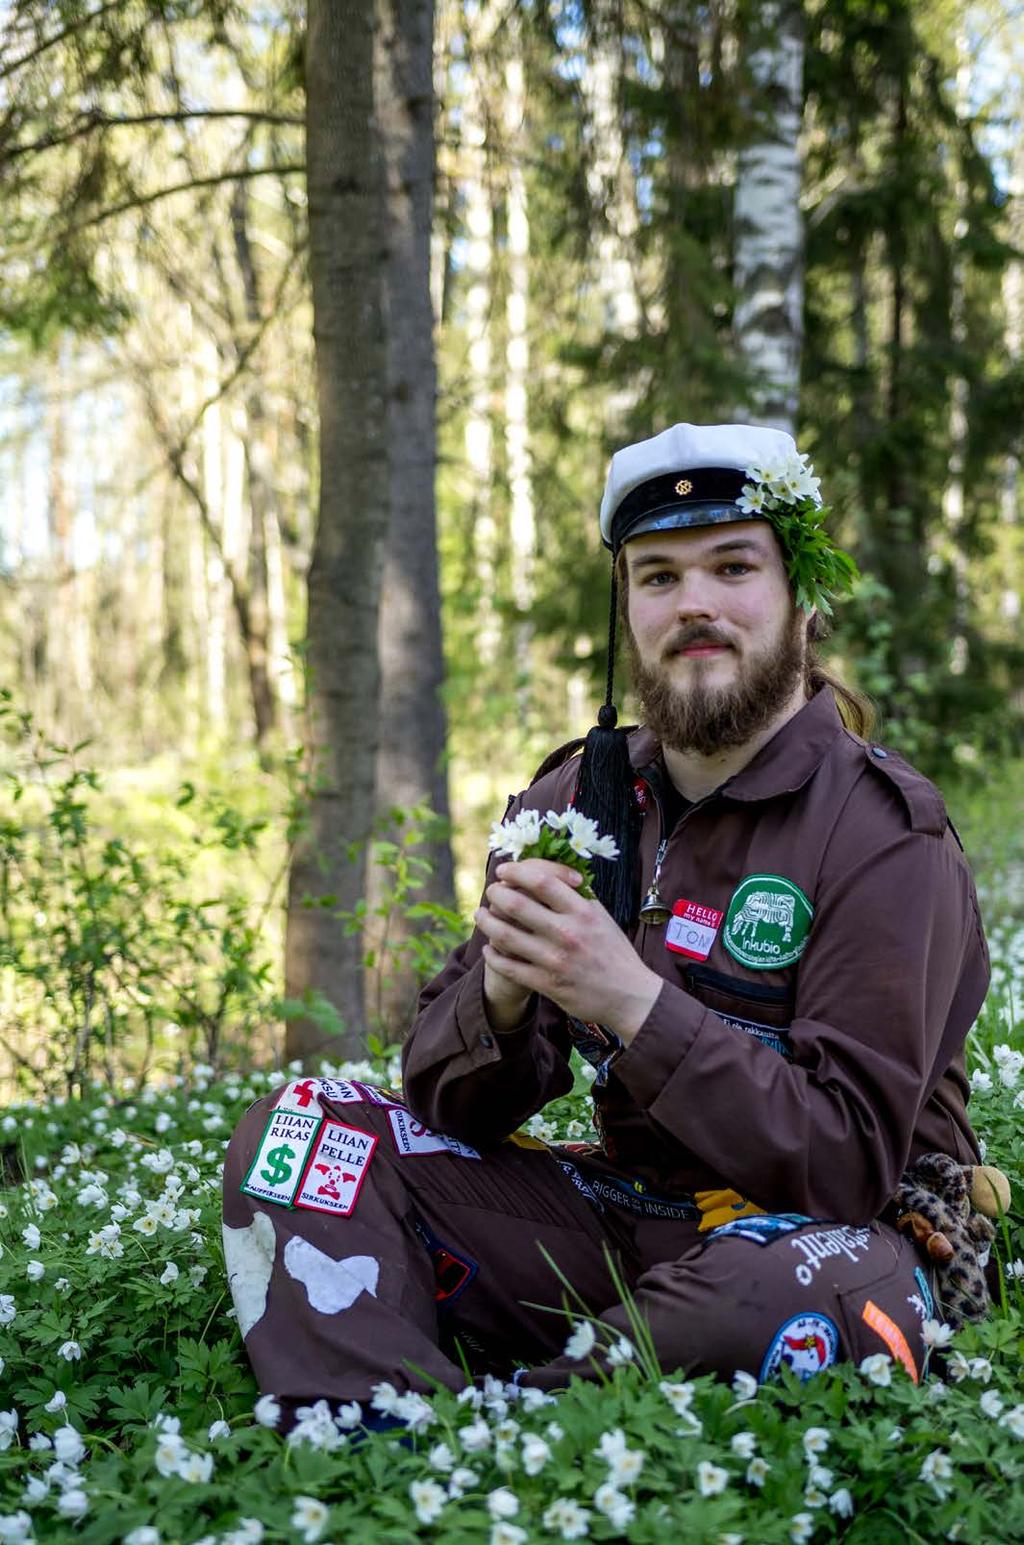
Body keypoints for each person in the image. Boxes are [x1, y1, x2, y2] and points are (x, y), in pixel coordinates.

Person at [222, 422, 990, 1423]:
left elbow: (845, 1164)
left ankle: (523, 1439)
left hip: (837, 1243)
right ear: (626, 608)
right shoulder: (579, 798)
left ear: (801, 598)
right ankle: (390, 1438)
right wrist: (499, 999)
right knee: (302, 1135)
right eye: (658, 577)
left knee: (767, 1296)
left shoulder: (886, 833)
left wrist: (629, 1000)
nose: (695, 604)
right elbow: (451, 1109)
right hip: (624, 1220)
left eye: (732, 566)